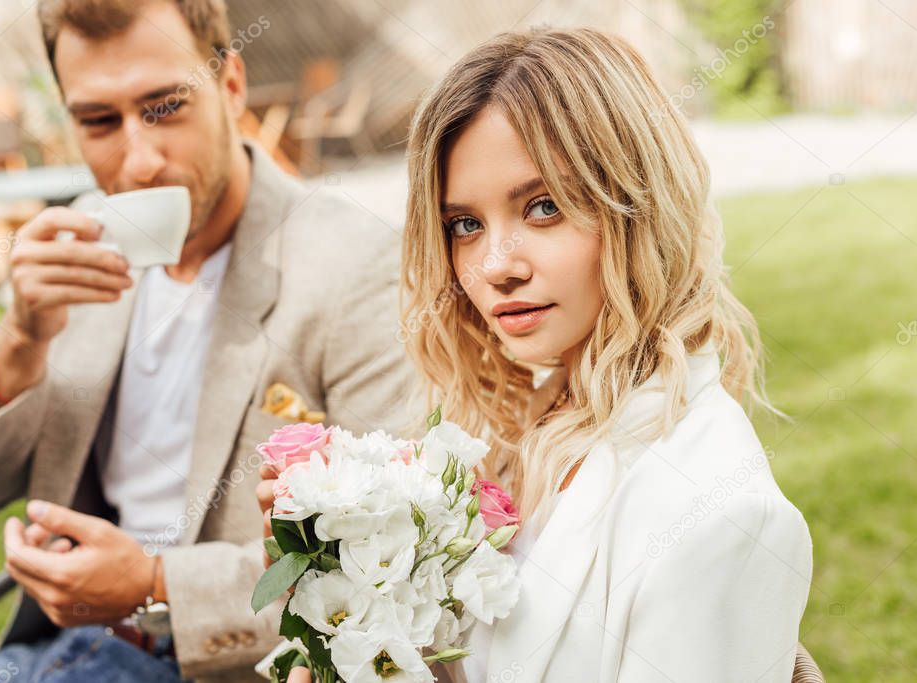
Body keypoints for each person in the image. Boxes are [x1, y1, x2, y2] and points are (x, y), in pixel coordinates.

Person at [260, 27, 812, 682]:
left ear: (638, 205)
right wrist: (340, 570)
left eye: (543, 207)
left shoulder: (720, 514)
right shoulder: (509, 436)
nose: (494, 265)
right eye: (464, 224)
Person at [0, 1, 413, 681]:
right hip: (60, 650)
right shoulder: (81, 246)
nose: (140, 162)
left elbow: (393, 558)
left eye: (165, 106)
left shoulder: (356, 265)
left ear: (231, 85)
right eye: (99, 121)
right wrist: (21, 337)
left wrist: (154, 581)